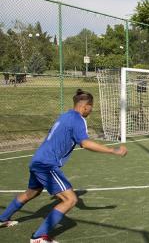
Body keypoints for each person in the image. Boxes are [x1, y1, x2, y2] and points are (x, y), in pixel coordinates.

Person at [0, 89, 128, 243]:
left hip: (37, 160)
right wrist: (112, 150)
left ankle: (3, 218)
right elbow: (85, 143)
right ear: (85, 106)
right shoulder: (78, 119)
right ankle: (39, 237)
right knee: (70, 200)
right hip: (46, 164)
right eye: (91, 107)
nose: (91, 110)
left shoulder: (65, 115)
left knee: (31, 193)